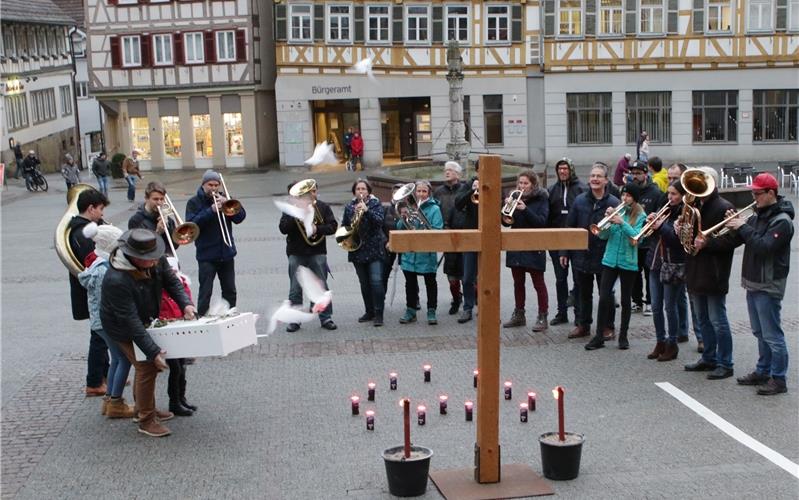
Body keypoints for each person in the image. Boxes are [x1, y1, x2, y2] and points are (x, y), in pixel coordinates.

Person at [100, 228, 196, 437]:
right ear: (134, 257)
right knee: (146, 366)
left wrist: (186, 304)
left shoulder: (154, 257)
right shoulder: (116, 279)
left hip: (144, 318)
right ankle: (146, 419)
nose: (153, 263)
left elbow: (172, 281)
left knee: (145, 365)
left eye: (154, 258)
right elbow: (131, 323)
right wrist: (154, 352)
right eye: (148, 260)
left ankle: (144, 409)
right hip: (120, 326)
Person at [128, 182, 193, 416]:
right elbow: (138, 248)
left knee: (180, 359)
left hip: (165, 267)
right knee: (154, 365)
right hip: (150, 278)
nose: (159, 204)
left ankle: (179, 399)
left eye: (162, 200)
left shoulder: (165, 215)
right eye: (155, 199)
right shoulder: (137, 220)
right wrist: (155, 232)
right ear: (147, 197)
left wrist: (168, 229)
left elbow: (175, 244)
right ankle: (150, 409)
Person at [726, 173, 794, 395]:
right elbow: (742, 239)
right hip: (753, 281)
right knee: (759, 331)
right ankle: (763, 370)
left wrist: (742, 227)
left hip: (769, 283)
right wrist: (732, 225)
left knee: (772, 334)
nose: (753, 198)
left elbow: (764, 246)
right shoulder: (758, 216)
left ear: (770, 193)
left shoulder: (782, 221)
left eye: (757, 194)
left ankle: (779, 378)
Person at [681, 167, 737, 380]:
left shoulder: (724, 206)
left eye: (701, 184)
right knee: (702, 319)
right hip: (695, 269)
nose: (696, 190)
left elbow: (734, 239)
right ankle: (709, 357)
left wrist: (708, 242)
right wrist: (681, 228)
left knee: (717, 319)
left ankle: (725, 362)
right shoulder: (693, 205)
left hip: (714, 271)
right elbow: (689, 236)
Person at [78, 222, 135, 418]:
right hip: (106, 321)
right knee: (124, 360)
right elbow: (108, 301)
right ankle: (115, 402)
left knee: (118, 359)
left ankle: (110, 399)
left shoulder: (97, 263)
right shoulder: (103, 270)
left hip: (101, 321)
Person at [585, 183, 647, 351]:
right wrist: (606, 222)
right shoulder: (617, 211)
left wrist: (621, 223)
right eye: (622, 195)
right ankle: (599, 336)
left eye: (627, 196)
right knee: (604, 297)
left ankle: (623, 336)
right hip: (610, 260)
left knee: (626, 300)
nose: (624, 198)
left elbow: (637, 238)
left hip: (628, 262)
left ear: (634, 198)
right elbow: (603, 236)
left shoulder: (641, 215)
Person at [561, 164, 617, 340]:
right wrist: (564, 252)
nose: (595, 179)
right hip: (582, 255)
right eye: (592, 176)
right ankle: (583, 325)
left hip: (605, 256)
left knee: (606, 294)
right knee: (582, 293)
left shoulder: (614, 203)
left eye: (599, 176)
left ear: (606, 180)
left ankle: (608, 327)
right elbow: (569, 227)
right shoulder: (579, 201)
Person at [279, 178, 338, 332]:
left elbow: (333, 227)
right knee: (295, 288)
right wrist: (296, 214)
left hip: (317, 252)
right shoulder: (290, 209)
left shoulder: (323, 207)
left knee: (321, 286)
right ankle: (295, 319)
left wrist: (317, 229)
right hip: (296, 253)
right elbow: (283, 228)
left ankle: (326, 318)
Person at [185, 170, 247, 316]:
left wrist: (228, 204)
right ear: (203, 184)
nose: (213, 188)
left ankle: (230, 316)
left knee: (230, 290)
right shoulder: (194, 202)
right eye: (210, 185)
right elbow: (191, 225)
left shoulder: (225, 198)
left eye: (216, 185)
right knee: (205, 292)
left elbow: (240, 218)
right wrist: (210, 211)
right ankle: (200, 320)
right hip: (206, 255)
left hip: (226, 253)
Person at [68, 188, 110, 396]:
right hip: (93, 290)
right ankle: (94, 382)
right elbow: (92, 261)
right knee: (99, 335)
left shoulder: (86, 228)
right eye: (100, 209)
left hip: (92, 289)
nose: (102, 213)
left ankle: (106, 375)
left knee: (102, 334)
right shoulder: (82, 233)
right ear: (91, 208)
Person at [645, 181, 687, 362]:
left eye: (674, 194)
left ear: (683, 195)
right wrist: (651, 222)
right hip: (655, 263)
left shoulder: (685, 214)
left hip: (673, 265)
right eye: (669, 193)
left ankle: (672, 343)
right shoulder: (666, 208)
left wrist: (661, 226)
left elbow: (678, 241)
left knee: (670, 307)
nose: (670, 197)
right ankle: (660, 341)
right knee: (655, 307)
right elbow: (652, 235)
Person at [503, 171, 550, 332]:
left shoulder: (541, 199)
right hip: (516, 246)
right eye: (520, 183)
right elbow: (507, 223)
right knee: (518, 283)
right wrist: (506, 209)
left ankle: (543, 315)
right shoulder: (515, 197)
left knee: (538, 283)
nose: (522, 186)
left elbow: (541, 222)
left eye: (526, 184)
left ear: (533, 185)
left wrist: (525, 209)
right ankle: (519, 314)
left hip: (534, 245)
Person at [397, 180, 444, 325]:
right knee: (410, 284)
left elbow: (437, 230)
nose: (421, 194)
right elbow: (400, 229)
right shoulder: (409, 207)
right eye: (419, 191)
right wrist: (403, 218)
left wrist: (423, 230)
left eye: (424, 191)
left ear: (429, 193)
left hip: (426, 253)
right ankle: (410, 311)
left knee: (430, 283)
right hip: (410, 253)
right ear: (415, 193)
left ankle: (431, 311)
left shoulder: (434, 209)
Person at [547, 157, 587, 326]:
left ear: (571, 170)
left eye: (565, 168)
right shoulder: (552, 190)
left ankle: (579, 314)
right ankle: (561, 312)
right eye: (559, 169)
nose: (562, 172)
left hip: (576, 241)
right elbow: (547, 215)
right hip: (557, 240)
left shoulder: (581, 189)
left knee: (578, 279)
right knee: (560, 279)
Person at [666, 163, 702, 350]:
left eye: (675, 178)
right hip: (675, 259)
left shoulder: (693, 205)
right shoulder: (670, 203)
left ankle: (701, 337)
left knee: (694, 298)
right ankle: (681, 331)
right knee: (680, 298)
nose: (671, 181)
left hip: (691, 258)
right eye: (669, 178)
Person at [342, 179, 386, 326]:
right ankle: (369, 311)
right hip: (357, 249)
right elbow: (345, 226)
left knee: (376, 282)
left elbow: (380, 221)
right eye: (358, 189)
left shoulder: (375, 204)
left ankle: (379, 313)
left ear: (368, 191)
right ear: (354, 192)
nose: (361, 191)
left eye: (363, 189)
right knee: (364, 284)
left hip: (374, 248)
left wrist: (366, 212)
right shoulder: (349, 207)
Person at [628, 160, 662, 316]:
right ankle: (636, 301)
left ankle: (649, 301)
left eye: (638, 173)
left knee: (649, 272)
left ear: (645, 174)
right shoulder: (628, 191)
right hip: (632, 239)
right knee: (634, 272)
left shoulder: (655, 193)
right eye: (632, 173)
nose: (634, 176)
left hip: (648, 241)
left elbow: (659, 214)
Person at [433, 161, 466, 316]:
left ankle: (471, 299)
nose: (447, 172)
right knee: (451, 275)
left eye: (451, 170)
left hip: (464, 235)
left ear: (458, 174)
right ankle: (456, 298)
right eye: (445, 170)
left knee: (468, 272)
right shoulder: (438, 192)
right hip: (446, 234)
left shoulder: (465, 190)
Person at [453, 161, 480, 324]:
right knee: (468, 276)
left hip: (489, 234)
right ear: (477, 171)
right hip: (471, 234)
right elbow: (458, 204)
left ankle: (488, 308)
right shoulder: (469, 184)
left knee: (488, 277)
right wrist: (473, 189)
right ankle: (468, 308)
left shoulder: (495, 184)